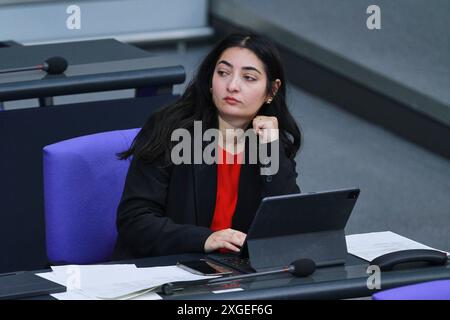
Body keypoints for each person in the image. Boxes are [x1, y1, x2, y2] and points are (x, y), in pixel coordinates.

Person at [112, 33, 301, 260]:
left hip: (237, 273)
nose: (232, 86)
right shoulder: (171, 129)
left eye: (249, 78)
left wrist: (271, 152)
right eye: (223, 73)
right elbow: (135, 221)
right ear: (211, 80)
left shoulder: (270, 141)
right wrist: (205, 239)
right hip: (169, 269)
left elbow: (287, 224)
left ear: (271, 91)